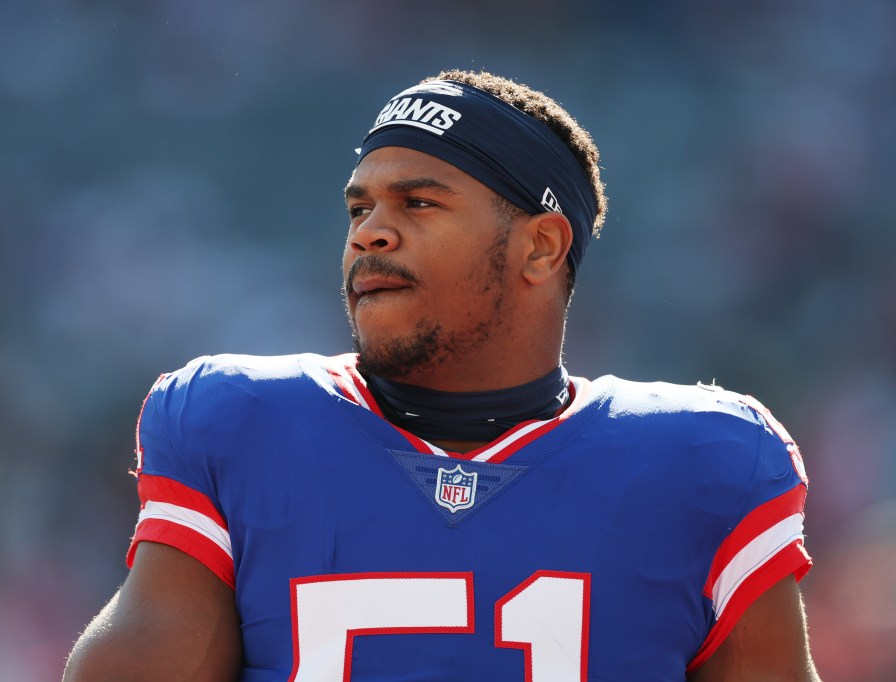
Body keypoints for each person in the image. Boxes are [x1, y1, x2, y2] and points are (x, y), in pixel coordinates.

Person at [63, 69, 819, 681]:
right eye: (358, 209)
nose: (370, 233)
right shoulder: (235, 423)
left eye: (418, 202)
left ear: (541, 248)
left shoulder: (707, 461)